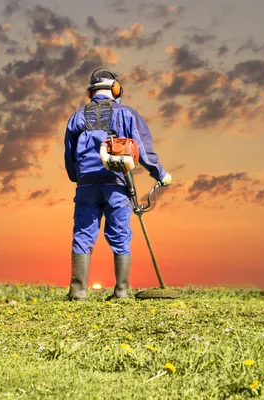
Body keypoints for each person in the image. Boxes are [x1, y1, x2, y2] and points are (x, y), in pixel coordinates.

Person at [63, 67, 172, 300]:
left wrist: (78, 178)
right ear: (116, 89)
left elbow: (69, 156)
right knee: (120, 235)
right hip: (117, 184)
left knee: (83, 234)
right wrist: (160, 174)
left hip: (86, 187)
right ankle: (121, 291)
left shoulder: (76, 116)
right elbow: (143, 150)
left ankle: (78, 292)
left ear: (90, 92)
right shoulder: (127, 114)